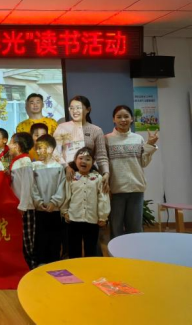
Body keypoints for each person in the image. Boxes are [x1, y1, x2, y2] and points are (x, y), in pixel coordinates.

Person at [106, 105, 158, 240]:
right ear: (113, 119)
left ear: (132, 119)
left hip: (136, 189)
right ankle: (116, 254)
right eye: (119, 117)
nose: (123, 120)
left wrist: (150, 145)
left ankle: (135, 253)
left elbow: (144, 163)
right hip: (115, 191)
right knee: (116, 229)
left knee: (135, 230)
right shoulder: (107, 139)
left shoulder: (138, 138)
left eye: (126, 116)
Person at [61, 147, 110, 258]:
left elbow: (103, 198)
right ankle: (75, 266)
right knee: (74, 249)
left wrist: (103, 216)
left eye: (88, 159)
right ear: (75, 160)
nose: (83, 161)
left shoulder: (98, 178)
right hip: (74, 218)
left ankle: (89, 267)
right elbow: (66, 195)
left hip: (92, 220)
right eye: (81, 158)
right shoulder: (71, 177)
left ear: (93, 162)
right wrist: (65, 211)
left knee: (91, 248)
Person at [53, 96, 110, 189]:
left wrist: (106, 173)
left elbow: (101, 156)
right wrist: (66, 167)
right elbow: (55, 151)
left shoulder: (96, 130)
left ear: (88, 109)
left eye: (78, 107)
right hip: (67, 175)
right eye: (72, 108)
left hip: (89, 176)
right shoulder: (62, 128)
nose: (74, 111)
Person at [32, 135, 65, 265]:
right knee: (40, 237)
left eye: (41, 148)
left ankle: (54, 262)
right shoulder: (33, 167)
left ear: (51, 149)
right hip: (39, 209)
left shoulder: (59, 167)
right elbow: (32, 186)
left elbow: (62, 187)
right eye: (37, 148)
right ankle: (40, 262)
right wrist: (38, 202)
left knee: (55, 237)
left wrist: (54, 202)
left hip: (54, 210)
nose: (38, 151)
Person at [9, 132, 37, 269]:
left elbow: (27, 185)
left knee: (26, 238)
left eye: (10, 142)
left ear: (17, 146)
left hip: (25, 207)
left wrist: (23, 205)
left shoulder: (25, 161)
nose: (8, 145)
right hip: (19, 206)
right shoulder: (16, 161)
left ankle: (30, 265)